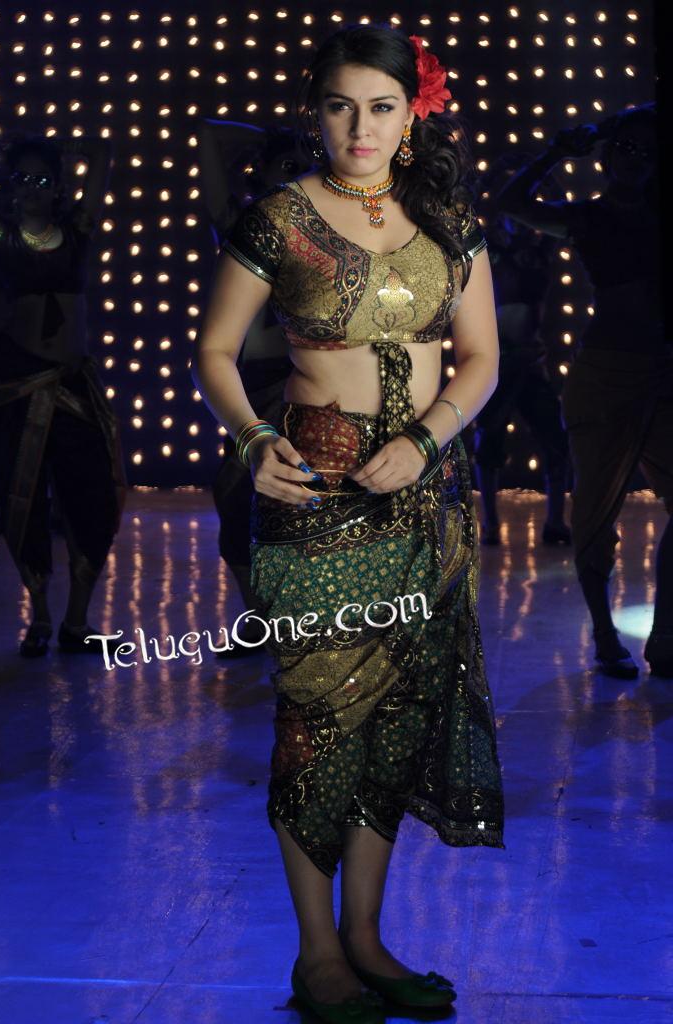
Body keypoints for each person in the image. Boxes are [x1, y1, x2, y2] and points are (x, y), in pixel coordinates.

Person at [194, 26, 503, 1024]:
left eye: (379, 106)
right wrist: (252, 442)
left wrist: (426, 438)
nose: (359, 127)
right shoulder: (279, 218)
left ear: (412, 115)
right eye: (339, 105)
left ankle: (366, 938)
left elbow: (481, 359)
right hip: (315, 496)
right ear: (314, 112)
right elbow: (214, 351)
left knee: (398, 721)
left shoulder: (448, 220)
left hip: (425, 502)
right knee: (317, 722)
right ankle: (316, 954)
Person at [498, 104, 672, 680]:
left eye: (648, 150)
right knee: (596, 512)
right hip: (604, 378)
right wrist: (555, 151)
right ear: (606, 156)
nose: (636, 159)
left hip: (663, 374)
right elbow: (512, 204)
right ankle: (603, 634)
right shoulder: (588, 217)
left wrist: (631, 123)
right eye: (627, 147)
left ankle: (667, 634)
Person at [0, 134, 125, 657]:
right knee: (21, 498)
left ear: (57, 186)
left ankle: (76, 621)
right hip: (16, 386)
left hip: (72, 384)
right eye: (21, 179)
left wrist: (64, 146)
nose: (31, 188)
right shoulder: (0, 235)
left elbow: (104, 157)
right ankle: (40, 618)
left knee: (91, 496)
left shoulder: (76, 231)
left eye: (41, 179)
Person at [199, 120, 308, 652]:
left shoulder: (330, 230)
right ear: (259, 172)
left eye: (307, 168)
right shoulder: (242, 227)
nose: (298, 177)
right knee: (236, 499)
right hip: (253, 383)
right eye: (286, 167)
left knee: (306, 500)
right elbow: (208, 134)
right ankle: (259, 619)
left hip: (310, 383)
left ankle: (307, 621)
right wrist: (272, 139)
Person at [474, 155, 570, 546]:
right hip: (496, 363)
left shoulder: (541, 248)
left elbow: (561, 206)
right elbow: (471, 209)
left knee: (555, 440)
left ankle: (555, 522)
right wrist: (499, 176)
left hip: (531, 362)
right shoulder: (488, 248)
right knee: (488, 441)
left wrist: (540, 171)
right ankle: (490, 524)